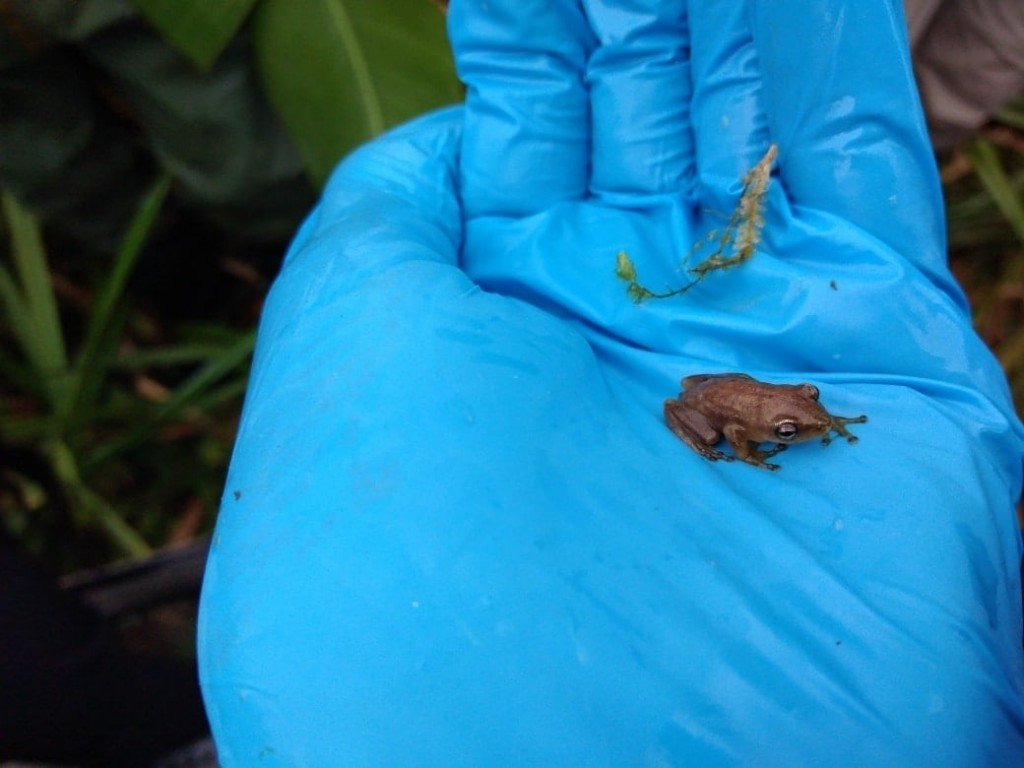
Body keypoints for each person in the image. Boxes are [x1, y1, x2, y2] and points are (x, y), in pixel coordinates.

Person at [197, 0, 1024, 765]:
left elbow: (777, 403)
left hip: (727, 371)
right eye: (793, 423)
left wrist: (791, 411)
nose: (804, 417)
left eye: (801, 415)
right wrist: (750, 442)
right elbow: (728, 419)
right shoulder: (747, 432)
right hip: (705, 394)